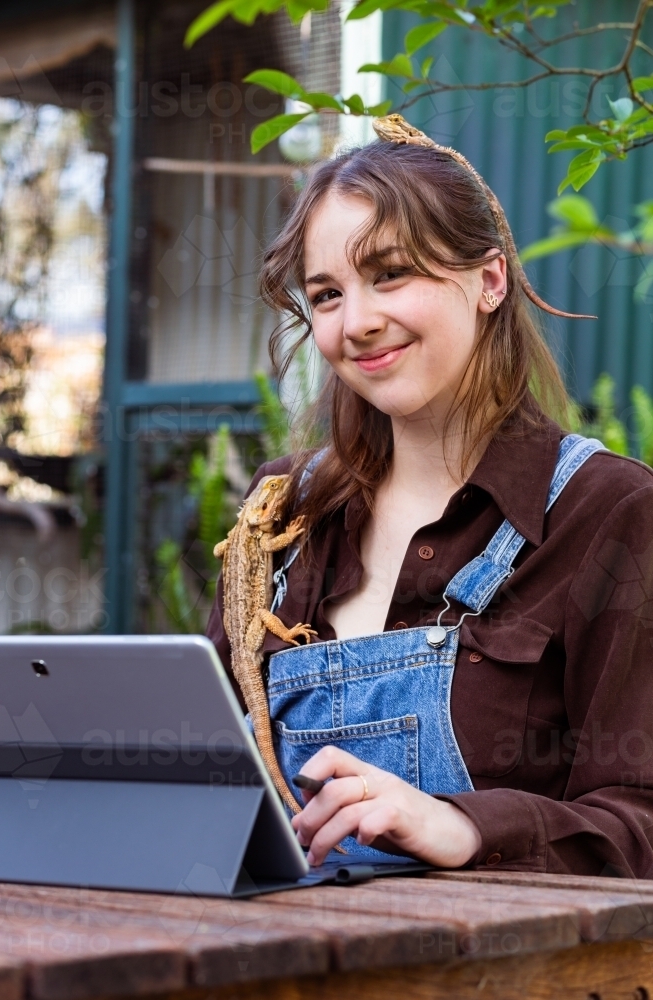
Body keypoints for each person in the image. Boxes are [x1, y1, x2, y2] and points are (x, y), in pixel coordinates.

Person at [207, 118, 653, 878]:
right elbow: (209, 768)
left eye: (389, 274)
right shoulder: (281, 513)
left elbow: (640, 824)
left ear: (488, 280)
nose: (357, 322)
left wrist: (468, 827)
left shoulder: (605, 511)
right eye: (325, 294)